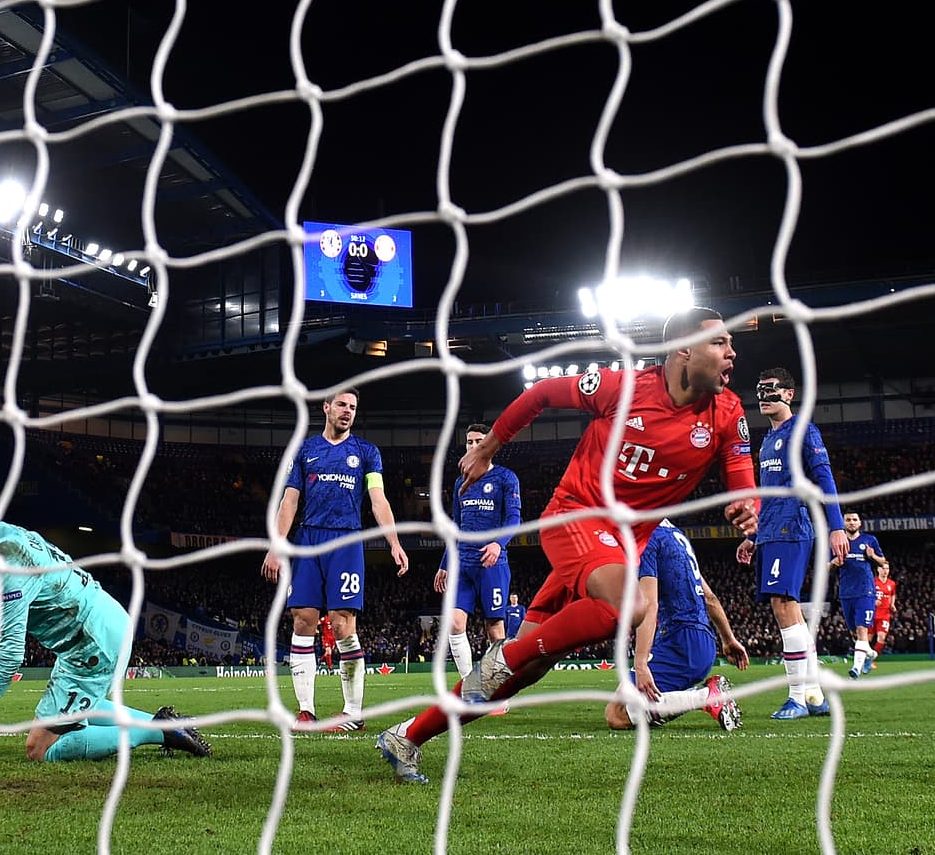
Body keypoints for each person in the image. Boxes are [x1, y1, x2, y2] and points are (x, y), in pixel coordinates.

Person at [377, 307, 759, 783]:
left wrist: (748, 505)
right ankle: (506, 655)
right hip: (574, 518)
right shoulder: (623, 389)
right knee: (629, 604)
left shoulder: (727, 412)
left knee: (525, 673)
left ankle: (406, 737)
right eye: (720, 343)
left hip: (616, 550)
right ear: (682, 351)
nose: (732, 351)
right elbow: (540, 393)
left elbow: (740, 468)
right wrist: (489, 447)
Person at [0, 484, 211, 762]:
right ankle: (164, 724)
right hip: (102, 627)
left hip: (92, 644)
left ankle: (162, 732)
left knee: (38, 749)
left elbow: (11, 653)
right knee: (83, 711)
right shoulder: (6, 540)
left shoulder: (8, 557)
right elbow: (8, 619)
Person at [260, 387, 409, 732]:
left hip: (347, 540)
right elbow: (289, 501)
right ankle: (306, 710)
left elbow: (378, 499)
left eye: (353, 407)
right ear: (326, 407)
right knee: (302, 620)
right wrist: (277, 545)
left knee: (342, 624)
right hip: (309, 540)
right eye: (341, 404)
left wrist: (394, 542)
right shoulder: (305, 450)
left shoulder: (367, 453)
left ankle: (353, 712)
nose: (347, 411)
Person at [735, 368, 849, 719]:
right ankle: (814, 696)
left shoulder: (803, 430)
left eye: (771, 390)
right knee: (788, 609)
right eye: (759, 390)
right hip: (770, 531)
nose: (764, 397)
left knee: (784, 604)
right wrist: (753, 536)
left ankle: (797, 696)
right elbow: (767, 497)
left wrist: (837, 527)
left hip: (792, 529)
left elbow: (825, 479)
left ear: (789, 393)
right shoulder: (767, 441)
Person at [603, 520, 747, 731]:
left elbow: (649, 604)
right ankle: (691, 700)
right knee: (632, 707)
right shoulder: (677, 537)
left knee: (617, 714)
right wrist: (728, 639)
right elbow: (710, 598)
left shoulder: (647, 538)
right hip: (701, 643)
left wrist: (641, 663)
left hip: (680, 642)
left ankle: (707, 697)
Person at [432, 422, 521, 696]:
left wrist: (498, 543)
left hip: (492, 564)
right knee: (455, 624)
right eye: (469, 442)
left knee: (495, 629)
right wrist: (445, 564)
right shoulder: (461, 481)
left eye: (478, 441)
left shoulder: (506, 478)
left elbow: (514, 519)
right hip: (463, 564)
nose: (473, 447)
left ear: (489, 445)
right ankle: (470, 689)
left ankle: (500, 692)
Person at [835, 510, 885, 679]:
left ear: (860, 523)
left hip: (866, 591)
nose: (851, 522)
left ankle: (856, 668)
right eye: (848, 520)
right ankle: (870, 655)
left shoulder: (869, 540)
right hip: (846, 592)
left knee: (862, 631)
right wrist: (834, 562)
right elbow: (826, 566)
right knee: (855, 633)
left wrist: (873, 556)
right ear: (844, 523)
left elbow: (884, 562)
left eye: (854, 519)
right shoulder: (837, 541)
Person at [867, 559, 898, 672]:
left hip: (885, 615)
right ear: (878, 569)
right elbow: (867, 595)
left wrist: (892, 604)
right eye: (883, 568)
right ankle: (862, 658)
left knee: (881, 637)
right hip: (872, 614)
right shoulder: (873, 582)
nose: (886, 571)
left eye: (887, 569)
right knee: (868, 639)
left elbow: (892, 594)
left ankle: (871, 660)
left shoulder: (892, 584)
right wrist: (873, 601)